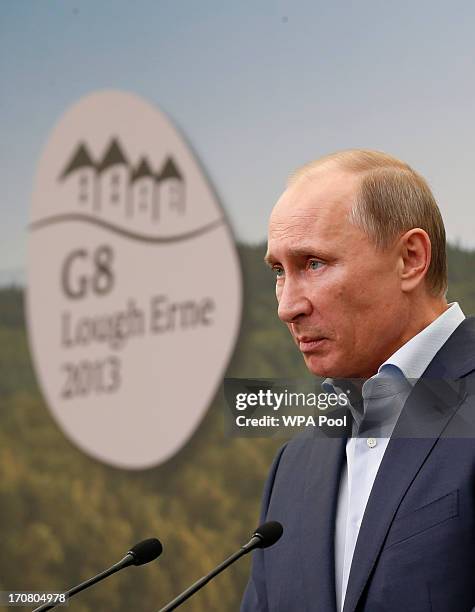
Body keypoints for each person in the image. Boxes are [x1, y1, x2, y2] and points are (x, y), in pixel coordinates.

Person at [241, 150, 475, 612]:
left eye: (313, 264)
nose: (287, 306)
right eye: (278, 272)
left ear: (410, 258)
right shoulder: (293, 466)